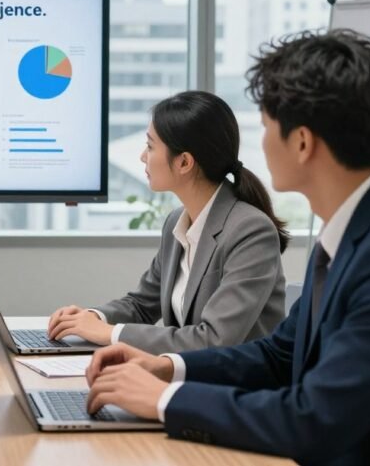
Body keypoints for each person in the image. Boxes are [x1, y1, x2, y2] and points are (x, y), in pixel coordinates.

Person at [84, 30, 370, 464]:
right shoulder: (352, 231)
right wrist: (169, 368)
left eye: (267, 126)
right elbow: (279, 355)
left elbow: (315, 419)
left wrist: (163, 401)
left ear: (303, 142)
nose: (262, 141)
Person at [47, 90, 287, 354]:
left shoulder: (250, 231)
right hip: (189, 379)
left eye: (150, 146)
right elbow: (141, 305)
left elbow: (215, 340)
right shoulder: (178, 222)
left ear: (184, 162)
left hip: (238, 388)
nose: (142, 156)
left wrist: (110, 333)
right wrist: (93, 318)